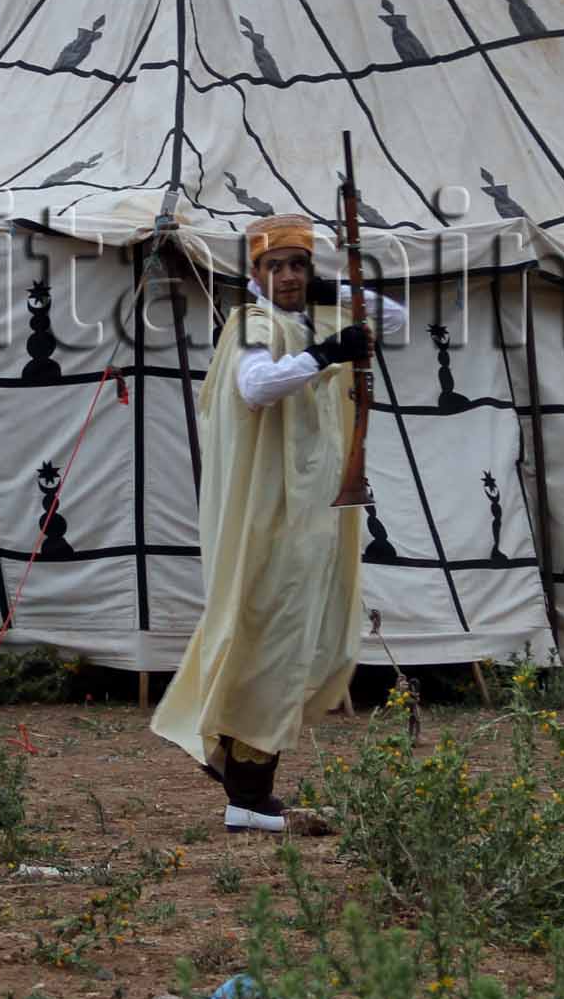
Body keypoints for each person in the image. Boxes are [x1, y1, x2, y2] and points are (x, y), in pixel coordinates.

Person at [151, 212, 408, 831]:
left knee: (302, 638)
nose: (288, 276)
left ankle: (248, 787)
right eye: (276, 266)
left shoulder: (312, 315)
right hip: (268, 516)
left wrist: (333, 294)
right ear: (255, 273)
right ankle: (241, 781)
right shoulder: (250, 325)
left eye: (298, 265)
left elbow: (395, 318)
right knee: (266, 633)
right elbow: (257, 387)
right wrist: (325, 352)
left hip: (313, 511)